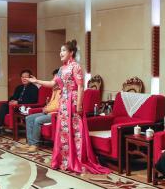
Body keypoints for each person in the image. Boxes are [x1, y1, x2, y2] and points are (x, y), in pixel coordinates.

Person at [28, 40, 108, 173]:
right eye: (60, 50)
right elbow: (52, 84)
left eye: (64, 50)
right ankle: (65, 159)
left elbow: (80, 86)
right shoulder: (61, 69)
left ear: (71, 53)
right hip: (64, 102)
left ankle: (77, 159)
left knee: (75, 131)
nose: (61, 53)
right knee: (64, 131)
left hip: (73, 101)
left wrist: (79, 104)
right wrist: (37, 81)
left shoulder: (76, 67)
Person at [15, 68, 60, 153]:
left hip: (55, 114)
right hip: (48, 112)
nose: (53, 80)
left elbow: (59, 106)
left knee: (37, 120)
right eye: (53, 78)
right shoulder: (55, 89)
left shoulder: (64, 90)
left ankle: (35, 145)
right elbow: (51, 103)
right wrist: (46, 107)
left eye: (55, 78)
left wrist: (47, 109)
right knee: (28, 118)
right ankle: (30, 143)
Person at [0, 69, 39, 138]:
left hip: (24, 108)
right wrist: (11, 101)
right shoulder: (19, 87)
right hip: (14, 107)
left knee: (3, 108)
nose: (24, 79)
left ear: (30, 78)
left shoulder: (34, 88)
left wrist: (18, 102)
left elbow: (32, 101)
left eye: (26, 77)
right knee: (3, 106)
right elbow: (13, 97)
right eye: (22, 77)